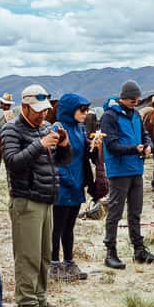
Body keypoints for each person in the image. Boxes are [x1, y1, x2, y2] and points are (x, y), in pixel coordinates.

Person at [1, 84, 71, 307]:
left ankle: (40, 298)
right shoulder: (12, 130)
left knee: (43, 255)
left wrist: (64, 146)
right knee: (27, 256)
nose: (43, 114)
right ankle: (28, 306)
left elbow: (59, 162)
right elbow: (12, 162)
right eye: (38, 110)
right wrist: (39, 144)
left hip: (45, 199)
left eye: (45, 110)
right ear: (24, 107)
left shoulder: (44, 129)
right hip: (26, 200)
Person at [100, 80, 154, 269]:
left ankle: (139, 250)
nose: (135, 101)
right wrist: (135, 149)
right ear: (123, 97)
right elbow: (111, 145)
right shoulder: (110, 116)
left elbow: (145, 135)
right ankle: (110, 252)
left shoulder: (135, 115)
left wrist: (148, 145)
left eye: (137, 98)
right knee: (115, 213)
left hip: (136, 169)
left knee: (135, 213)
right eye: (132, 98)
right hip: (119, 171)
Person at [51, 92, 99, 282]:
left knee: (69, 226)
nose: (85, 113)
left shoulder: (79, 129)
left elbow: (81, 154)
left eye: (87, 110)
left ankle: (69, 262)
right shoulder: (58, 128)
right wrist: (67, 179)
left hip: (77, 183)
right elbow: (53, 159)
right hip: (62, 185)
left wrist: (93, 146)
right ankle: (53, 264)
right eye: (82, 109)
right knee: (57, 226)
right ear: (70, 109)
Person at [0, 93, 14, 189]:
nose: (4, 105)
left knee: (9, 166)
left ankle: (10, 185)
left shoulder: (12, 115)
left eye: (7, 104)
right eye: (3, 103)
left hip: (7, 144)